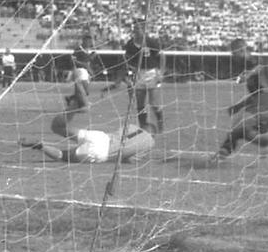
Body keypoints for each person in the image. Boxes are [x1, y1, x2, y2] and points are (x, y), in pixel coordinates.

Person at [20, 109, 156, 164]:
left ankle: (71, 108)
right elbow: (131, 160)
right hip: (101, 152)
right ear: (153, 134)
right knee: (62, 155)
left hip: (100, 137)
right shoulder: (150, 143)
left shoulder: (133, 126)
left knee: (59, 128)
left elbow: (119, 133)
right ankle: (40, 145)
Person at [216, 66, 268, 158]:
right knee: (239, 132)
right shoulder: (259, 96)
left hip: (258, 114)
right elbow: (239, 106)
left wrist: (249, 73)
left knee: (240, 129)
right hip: (266, 115)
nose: (248, 85)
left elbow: (262, 67)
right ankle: (225, 151)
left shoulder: (264, 92)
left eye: (249, 83)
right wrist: (234, 108)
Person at [122, 19, 164, 133]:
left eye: (138, 28)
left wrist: (161, 72)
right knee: (140, 103)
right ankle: (143, 126)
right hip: (138, 74)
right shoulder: (130, 44)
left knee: (154, 102)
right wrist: (130, 73)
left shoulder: (151, 42)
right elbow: (127, 60)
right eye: (134, 28)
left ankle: (160, 122)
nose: (135, 30)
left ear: (144, 29)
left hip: (151, 73)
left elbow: (161, 56)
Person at [65, 33, 107, 111]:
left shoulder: (91, 51)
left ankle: (72, 100)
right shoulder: (78, 49)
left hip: (86, 72)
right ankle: (82, 104)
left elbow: (89, 61)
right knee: (84, 90)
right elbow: (73, 61)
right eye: (87, 40)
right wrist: (84, 65)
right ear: (83, 41)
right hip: (79, 70)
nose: (89, 42)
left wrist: (90, 68)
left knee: (84, 91)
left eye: (90, 41)